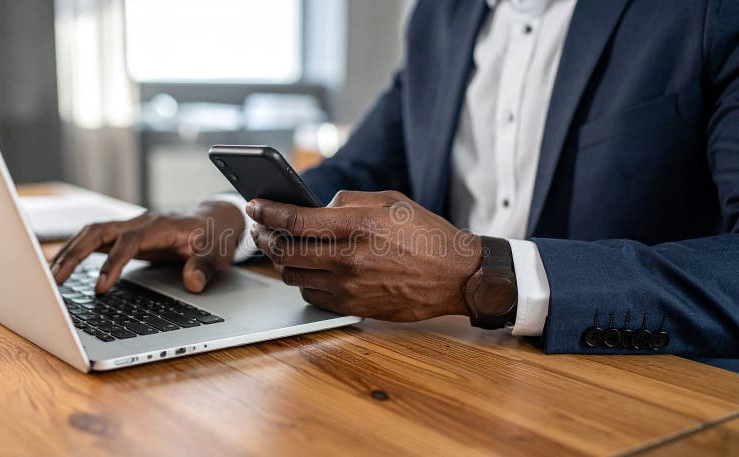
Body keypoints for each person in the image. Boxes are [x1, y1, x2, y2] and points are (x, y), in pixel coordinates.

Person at [51, 0, 739, 371]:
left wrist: (486, 274)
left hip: (636, 386)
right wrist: (229, 218)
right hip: (444, 367)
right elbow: (362, 168)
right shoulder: (440, 18)